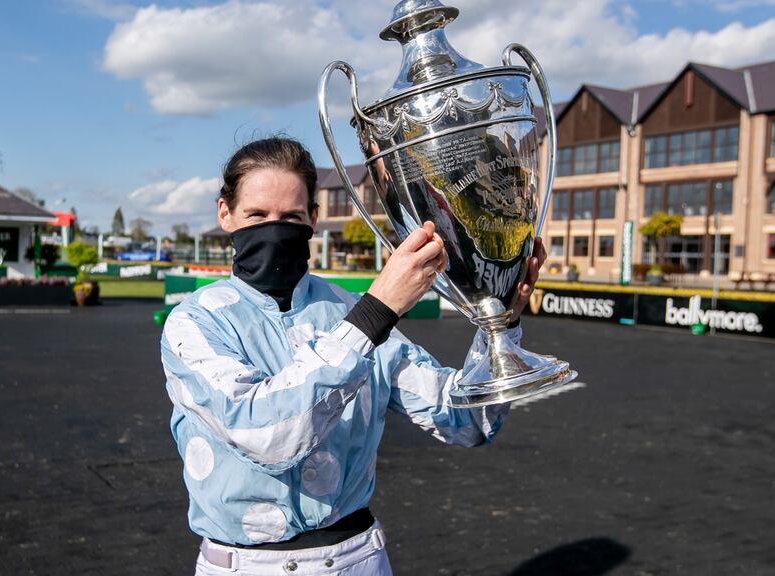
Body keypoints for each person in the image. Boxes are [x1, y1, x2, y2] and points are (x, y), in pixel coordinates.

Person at [160, 137, 546, 575]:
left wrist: (502, 326)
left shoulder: (352, 312)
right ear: (225, 214)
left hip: (355, 561)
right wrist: (375, 313)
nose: (275, 227)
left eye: (290, 216)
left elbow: (467, 422)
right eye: (257, 215)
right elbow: (265, 435)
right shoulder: (194, 322)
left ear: (313, 219)